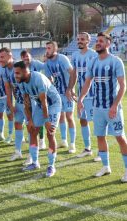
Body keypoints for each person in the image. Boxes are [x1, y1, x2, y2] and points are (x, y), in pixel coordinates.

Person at [78, 32, 127, 182]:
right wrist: (80, 99)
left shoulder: (115, 61)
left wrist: (115, 105)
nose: (98, 43)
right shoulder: (93, 62)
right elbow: (87, 83)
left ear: (108, 44)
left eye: (101, 41)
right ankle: (106, 166)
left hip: (112, 108)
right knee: (100, 136)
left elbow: (122, 86)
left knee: (120, 138)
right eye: (97, 41)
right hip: (97, 107)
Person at [14, 61, 62, 177]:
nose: (15, 76)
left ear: (26, 71)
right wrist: (29, 120)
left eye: (18, 73)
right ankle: (35, 162)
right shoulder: (21, 82)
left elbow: (45, 102)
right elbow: (26, 102)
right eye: (15, 73)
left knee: (50, 133)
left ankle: (51, 166)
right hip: (40, 106)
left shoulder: (38, 79)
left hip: (53, 105)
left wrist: (47, 121)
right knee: (32, 130)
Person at [67, 32, 99, 160]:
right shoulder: (74, 55)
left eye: (82, 39)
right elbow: (74, 74)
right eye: (78, 39)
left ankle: (100, 152)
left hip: (94, 94)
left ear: (88, 41)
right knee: (83, 120)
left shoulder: (94, 55)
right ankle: (87, 149)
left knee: (97, 123)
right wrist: (71, 88)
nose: (79, 41)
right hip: (81, 94)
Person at [45, 41, 76, 153]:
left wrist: (70, 89)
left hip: (67, 92)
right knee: (61, 117)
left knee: (69, 117)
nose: (47, 50)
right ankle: (64, 140)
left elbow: (73, 73)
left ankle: (72, 144)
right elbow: (49, 80)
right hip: (57, 95)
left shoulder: (62, 59)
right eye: (46, 48)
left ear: (55, 49)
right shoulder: (47, 63)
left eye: (49, 48)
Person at [0, 47, 26, 161]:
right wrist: (10, 105)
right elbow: (8, 88)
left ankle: (32, 157)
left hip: (29, 102)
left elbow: (28, 84)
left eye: (2, 57)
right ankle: (18, 152)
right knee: (18, 124)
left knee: (31, 128)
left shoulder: (19, 66)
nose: (0, 60)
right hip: (19, 102)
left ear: (10, 56)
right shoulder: (4, 70)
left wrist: (29, 104)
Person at [20, 50, 46, 150]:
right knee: (29, 118)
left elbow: (45, 67)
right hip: (28, 96)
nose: (26, 58)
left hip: (38, 96)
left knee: (39, 119)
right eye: (23, 57)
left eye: (27, 56)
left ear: (30, 56)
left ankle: (42, 141)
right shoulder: (22, 67)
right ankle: (33, 137)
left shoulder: (36, 64)